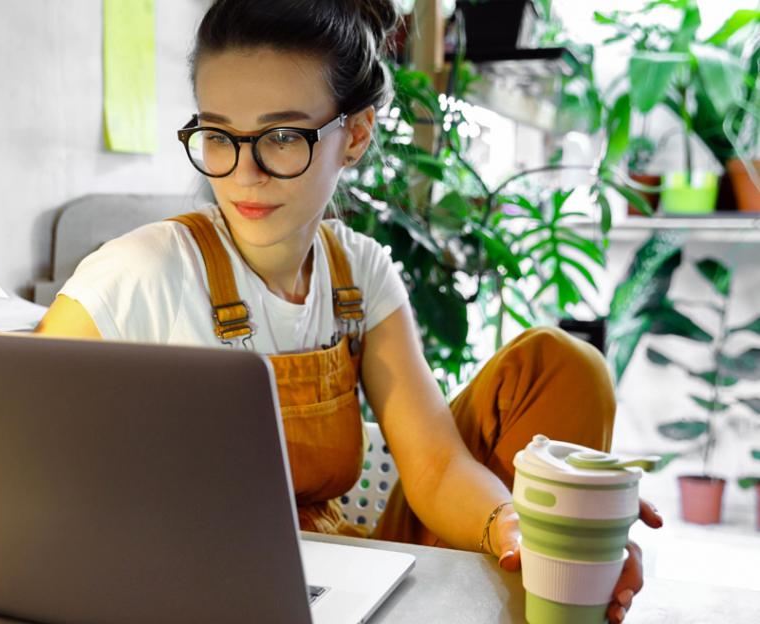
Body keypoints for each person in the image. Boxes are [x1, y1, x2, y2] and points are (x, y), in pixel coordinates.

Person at [37, 1, 660, 621]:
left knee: (561, 366)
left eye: (282, 136)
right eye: (220, 134)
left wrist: (516, 525)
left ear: (355, 135)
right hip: (191, 582)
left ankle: (550, 582)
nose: (244, 174)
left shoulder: (359, 273)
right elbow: (19, 440)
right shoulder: (141, 269)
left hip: (335, 572)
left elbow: (437, 466)